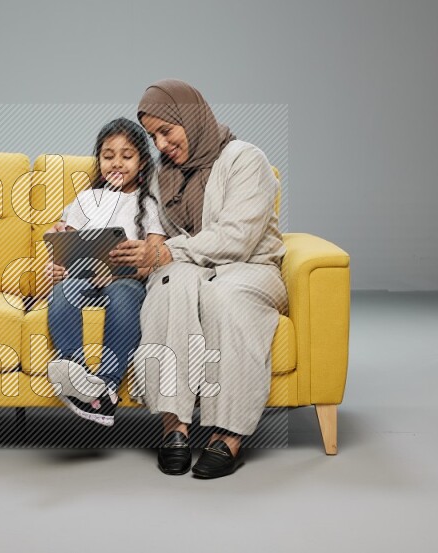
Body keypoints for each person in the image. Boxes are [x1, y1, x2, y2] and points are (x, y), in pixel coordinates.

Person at [108, 80, 288, 478]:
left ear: (190, 118)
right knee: (171, 284)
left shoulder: (245, 159)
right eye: (153, 136)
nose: (160, 144)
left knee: (223, 296)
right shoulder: (161, 177)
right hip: (190, 267)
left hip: (250, 268)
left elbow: (237, 238)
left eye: (166, 131)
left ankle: (229, 435)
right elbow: (150, 232)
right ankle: (174, 426)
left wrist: (168, 252)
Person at [45, 118, 168, 427]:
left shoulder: (149, 203)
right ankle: (79, 380)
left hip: (124, 279)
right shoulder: (85, 200)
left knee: (123, 294)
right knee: (63, 292)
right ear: (98, 159)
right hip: (83, 277)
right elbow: (64, 243)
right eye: (108, 155)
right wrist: (57, 261)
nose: (116, 163)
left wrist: (125, 270)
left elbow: (154, 257)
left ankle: (107, 386)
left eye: (126, 156)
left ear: (141, 162)